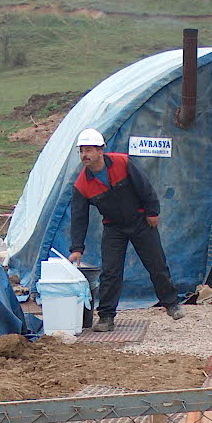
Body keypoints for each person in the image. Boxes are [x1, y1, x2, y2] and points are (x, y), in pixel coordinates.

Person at [67, 128, 184, 333]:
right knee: (111, 272)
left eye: (89, 150)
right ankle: (106, 317)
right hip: (113, 227)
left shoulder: (123, 163)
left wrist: (152, 212)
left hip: (140, 221)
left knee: (156, 264)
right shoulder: (82, 184)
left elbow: (144, 187)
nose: (85, 155)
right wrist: (77, 247)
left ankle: (172, 304)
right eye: (81, 151)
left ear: (101, 150)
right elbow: (78, 217)